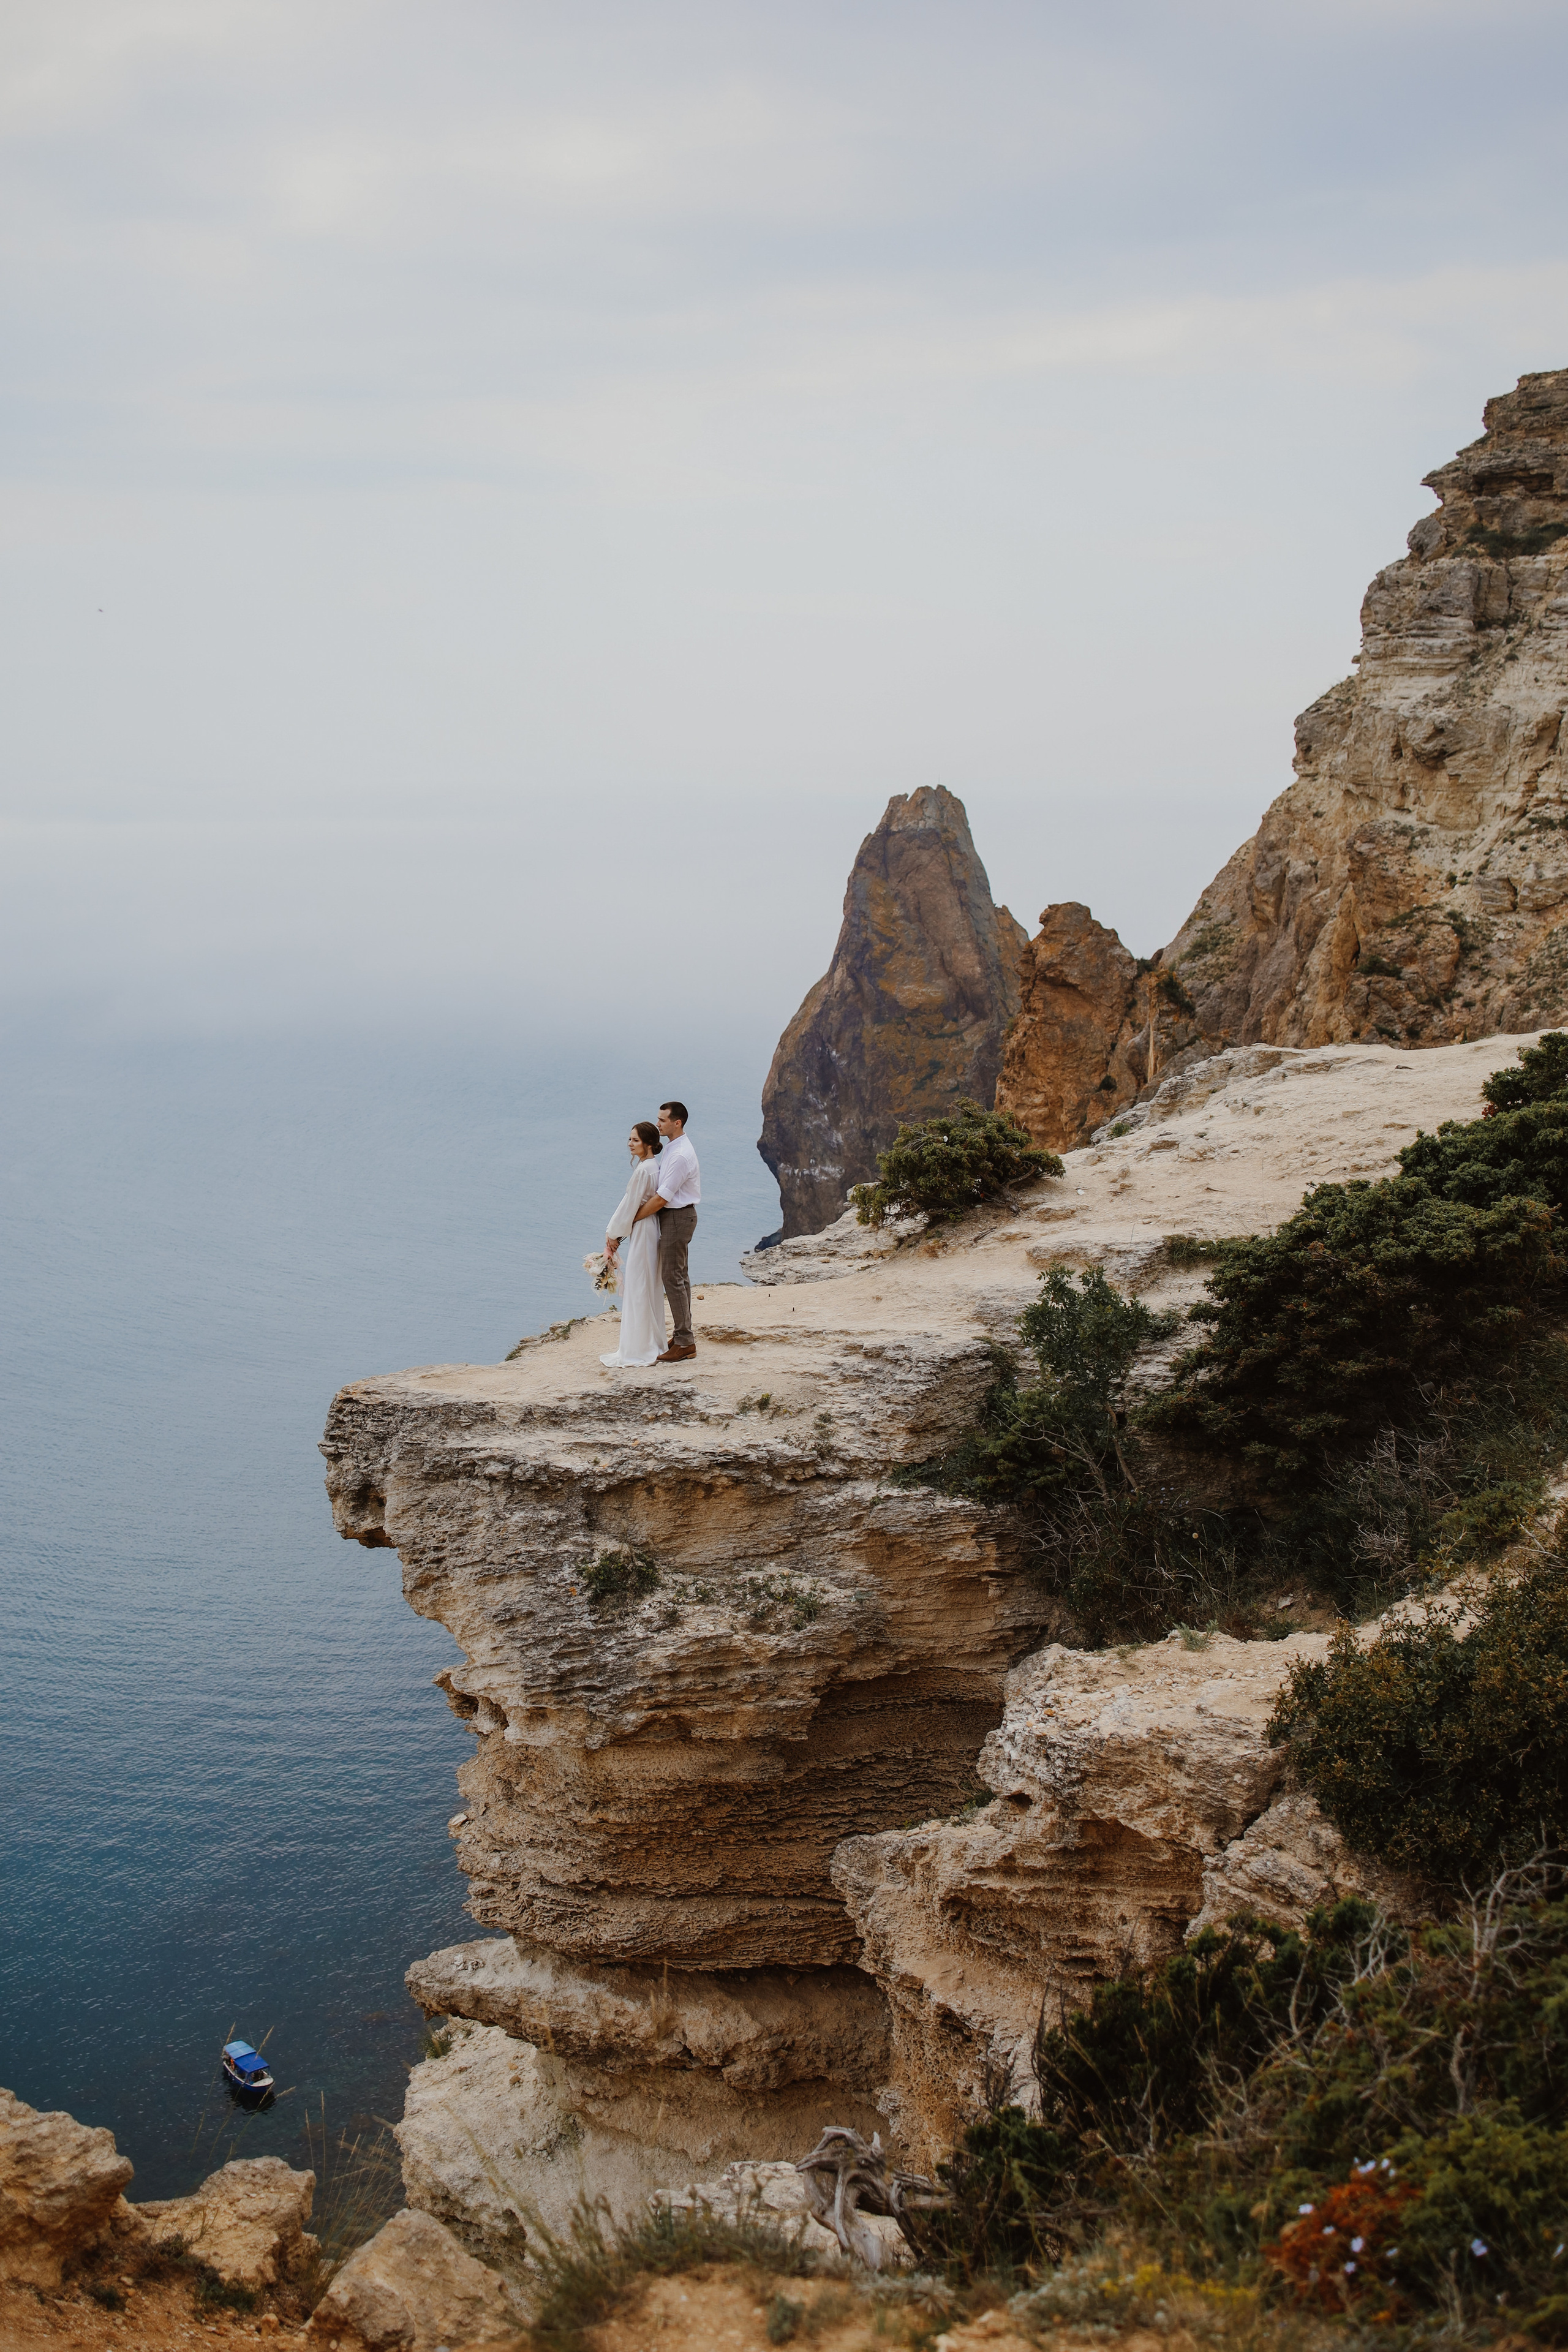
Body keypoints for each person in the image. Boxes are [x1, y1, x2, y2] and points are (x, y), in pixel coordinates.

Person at [631, 1099, 701, 1363]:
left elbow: (662, 1198)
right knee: (679, 1277)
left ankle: (685, 1342)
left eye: (662, 1120)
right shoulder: (674, 1147)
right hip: (676, 1217)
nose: (658, 1124)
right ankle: (683, 1335)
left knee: (673, 1278)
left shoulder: (681, 1154)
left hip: (677, 1217)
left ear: (677, 1123)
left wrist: (632, 1218)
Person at [600, 1121, 667, 1367]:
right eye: (630, 1139)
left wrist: (612, 1233)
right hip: (649, 1228)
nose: (630, 1144)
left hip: (643, 1230)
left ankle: (640, 1348)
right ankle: (651, 1342)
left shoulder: (644, 1170)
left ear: (649, 1144)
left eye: (636, 1140)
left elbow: (630, 1205)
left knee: (639, 1286)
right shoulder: (653, 1167)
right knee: (647, 1285)